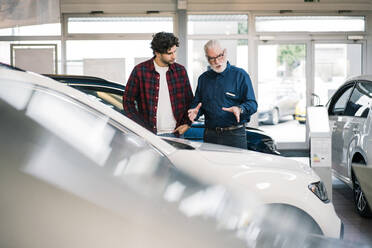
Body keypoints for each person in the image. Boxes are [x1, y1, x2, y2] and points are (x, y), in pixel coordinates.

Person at [188, 40, 257, 149]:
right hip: (210, 136)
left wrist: (240, 109)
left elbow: (252, 104)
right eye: (212, 58)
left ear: (224, 53)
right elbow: (198, 105)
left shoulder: (240, 75)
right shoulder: (203, 79)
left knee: (234, 166)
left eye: (219, 56)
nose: (216, 61)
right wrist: (194, 112)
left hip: (234, 135)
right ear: (207, 58)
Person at [123, 32, 193, 137]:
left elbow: (190, 101)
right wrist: (139, 126)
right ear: (157, 53)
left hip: (176, 134)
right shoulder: (140, 71)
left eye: (175, 51)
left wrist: (187, 123)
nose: (174, 56)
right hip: (149, 136)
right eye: (169, 53)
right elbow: (128, 102)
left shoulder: (180, 71)